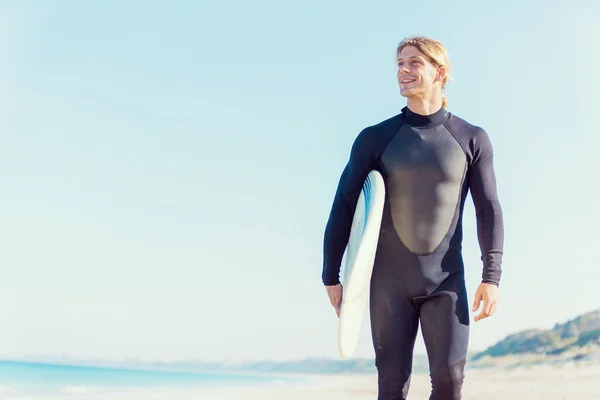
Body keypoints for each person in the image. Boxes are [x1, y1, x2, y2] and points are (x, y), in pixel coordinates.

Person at [322, 36, 504, 400]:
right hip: (390, 285)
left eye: (414, 62)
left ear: (441, 72)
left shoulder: (471, 139)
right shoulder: (376, 138)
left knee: (450, 383)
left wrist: (492, 276)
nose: (403, 70)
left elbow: (488, 208)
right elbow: (344, 203)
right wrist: (332, 272)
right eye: (399, 64)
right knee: (391, 387)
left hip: (446, 283)